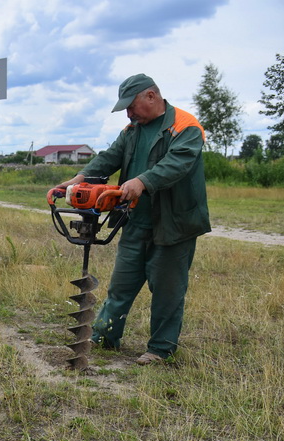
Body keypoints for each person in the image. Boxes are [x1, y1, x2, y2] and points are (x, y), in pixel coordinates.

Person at [53, 74, 211, 365]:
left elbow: (177, 164)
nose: (128, 113)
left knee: (167, 290)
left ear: (151, 96)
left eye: (131, 105)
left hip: (174, 224)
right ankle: (105, 335)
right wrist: (78, 179)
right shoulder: (132, 131)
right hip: (135, 220)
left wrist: (142, 181)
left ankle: (161, 349)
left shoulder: (185, 127)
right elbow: (109, 158)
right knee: (121, 285)